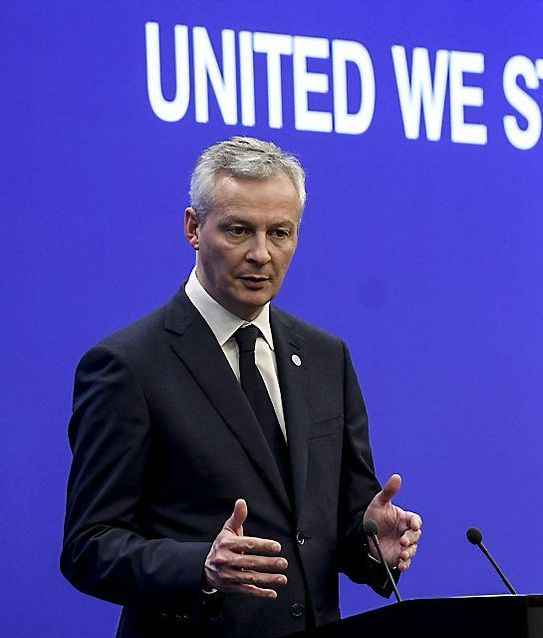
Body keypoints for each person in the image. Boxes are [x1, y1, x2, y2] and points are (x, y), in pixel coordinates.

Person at [61, 137, 422, 638]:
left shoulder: (326, 357)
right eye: (238, 230)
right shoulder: (128, 366)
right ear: (193, 228)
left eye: (280, 233)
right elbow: (89, 546)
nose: (261, 254)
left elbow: (333, 524)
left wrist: (370, 545)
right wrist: (201, 568)